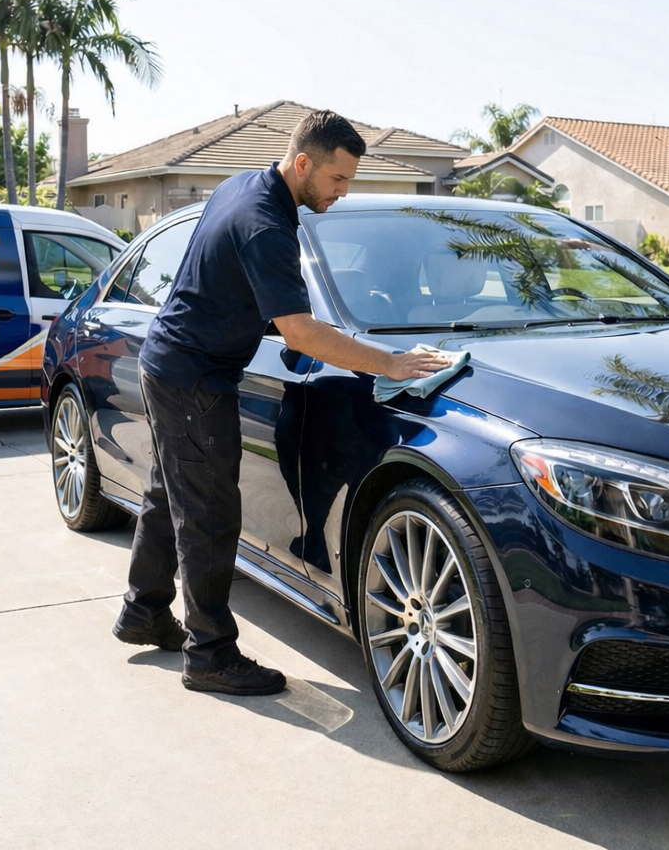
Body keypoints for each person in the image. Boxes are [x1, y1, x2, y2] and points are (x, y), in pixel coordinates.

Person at [114, 109, 451, 696]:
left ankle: (143, 612)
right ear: (303, 164)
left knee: (170, 494)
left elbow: (230, 282)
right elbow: (301, 333)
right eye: (337, 180)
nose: (342, 194)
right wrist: (392, 364)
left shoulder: (241, 183)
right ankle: (210, 654)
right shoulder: (267, 223)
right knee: (210, 514)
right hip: (194, 376)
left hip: (171, 363)